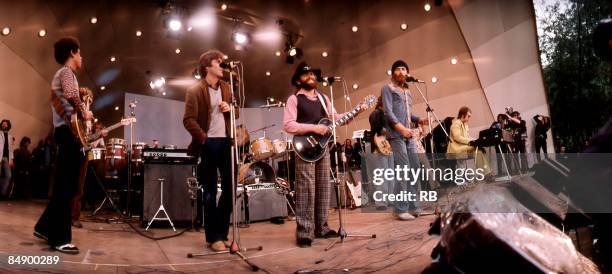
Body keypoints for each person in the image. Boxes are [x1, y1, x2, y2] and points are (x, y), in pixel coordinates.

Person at [34, 37, 92, 254]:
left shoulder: (64, 74)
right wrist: (85, 112)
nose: (81, 57)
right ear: (72, 52)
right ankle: (60, 239)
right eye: (80, 53)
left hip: (64, 133)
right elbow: (70, 95)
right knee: (67, 187)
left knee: (62, 186)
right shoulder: (67, 73)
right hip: (68, 136)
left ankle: (43, 228)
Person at [183, 49, 238, 252]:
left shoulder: (227, 87)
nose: (222, 65)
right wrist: (204, 139)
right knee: (210, 192)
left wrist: (230, 108)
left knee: (230, 190)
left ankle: (222, 233)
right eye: (218, 62)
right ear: (207, 66)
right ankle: (212, 237)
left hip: (226, 143)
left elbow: (237, 111)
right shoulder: (195, 90)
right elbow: (188, 120)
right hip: (208, 144)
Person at [283, 61, 340, 247]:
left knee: (324, 187)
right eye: (306, 74)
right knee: (306, 189)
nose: (311, 77)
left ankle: (322, 228)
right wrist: (315, 128)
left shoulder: (324, 98)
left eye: (313, 74)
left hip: (323, 148)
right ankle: (304, 233)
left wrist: (356, 111)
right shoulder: (294, 99)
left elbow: (335, 118)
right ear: (299, 79)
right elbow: (289, 125)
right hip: (305, 148)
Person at [381, 60, 424, 220]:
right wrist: (401, 129)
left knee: (414, 169)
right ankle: (400, 208)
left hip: (408, 135)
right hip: (397, 135)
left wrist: (419, 119)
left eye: (404, 69)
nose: (401, 71)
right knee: (404, 170)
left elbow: (407, 114)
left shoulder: (408, 91)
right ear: (393, 73)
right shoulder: (387, 88)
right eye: (398, 69)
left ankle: (413, 206)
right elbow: (388, 112)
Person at [367, 96, 395, 210]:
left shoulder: (386, 114)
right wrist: (388, 131)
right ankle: (381, 202)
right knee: (383, 174)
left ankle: (390, 199)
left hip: (388, 145)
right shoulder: (376, 113)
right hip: (380, 145)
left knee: (390, 173)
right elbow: (376, 128)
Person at [447, 106, 491, 176]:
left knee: (478, 150)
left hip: (463, 147)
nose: (469, 118)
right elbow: (457, 137)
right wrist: (471, 142)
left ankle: (485, 173)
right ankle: (484, 173)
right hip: (456, 149)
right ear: (463, 115)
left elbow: (468, 137)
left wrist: (476, 141)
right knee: (475, 150)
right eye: (468, 116)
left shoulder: (465, 125)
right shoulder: (456, 123)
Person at [0, 119, 15, 199]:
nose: (4, 125)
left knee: (8, 176)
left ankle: (2, 193)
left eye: (5, 124)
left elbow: (11, 149)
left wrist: (11, 159)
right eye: (3, 123)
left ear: (8, 125)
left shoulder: (10, 136)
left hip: (6, 158)